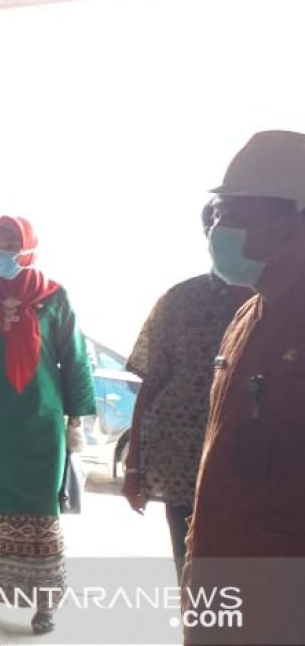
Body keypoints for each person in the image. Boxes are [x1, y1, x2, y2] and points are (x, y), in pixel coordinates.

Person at [182, 130, 305, 645]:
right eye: (217, 215)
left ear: (291, 221)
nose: (218, 229)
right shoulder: (248, 314)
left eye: (235, 215)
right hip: (219, 571)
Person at [0, 215, 96, 635]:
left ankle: (45, 604)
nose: (3, 249)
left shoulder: (54, 297)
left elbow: (76, 360)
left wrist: (76, 422)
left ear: (29, 245)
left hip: (43, 425)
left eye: (11, 241)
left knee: (42, 514)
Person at [122, 201, 251, 584]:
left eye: (234, 220)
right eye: (214, 223)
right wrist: (133, 468)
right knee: (192, 572)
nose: (221, 229)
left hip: (254, 468)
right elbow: (151, 386)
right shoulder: (179, 300)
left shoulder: (283, 304)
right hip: (184, 468)